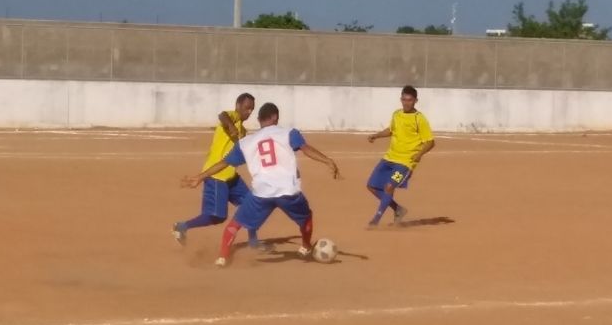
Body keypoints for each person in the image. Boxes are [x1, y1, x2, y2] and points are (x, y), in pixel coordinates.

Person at [183, 102, 340, 267]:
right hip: (288, 190)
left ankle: (222, 258)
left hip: (261, 192)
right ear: (275, 117)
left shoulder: (246, 142)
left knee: (235, 225)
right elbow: (306, 148)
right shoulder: (288, 133)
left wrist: (201, 176)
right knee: (306, 217)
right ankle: (306, 246)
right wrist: (328, 161)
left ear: (258, 120)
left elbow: (224, 162)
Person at [173, 92, 263, 248]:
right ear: (238, 106)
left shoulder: (243, 132)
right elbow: (222, 115)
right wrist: (230, 126)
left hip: (231, 177)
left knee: (251, 205)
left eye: (251, 110)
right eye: (247, 108)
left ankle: (254, 243)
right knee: (216, 217)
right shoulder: (231, 117)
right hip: (216, 175)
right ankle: (182, 226)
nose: (249, 112)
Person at [366, 85, 435, 226]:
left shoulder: (419, 119)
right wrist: (377, 135)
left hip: (405, 162)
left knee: (389, 187)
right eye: (404, 99)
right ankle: (398, 209)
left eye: (409, 100)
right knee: (371, 186)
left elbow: (430, 142)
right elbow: (391, 130)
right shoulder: (396, 114)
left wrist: (419, 154)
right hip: (389, 158)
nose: (406, 103)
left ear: (416, 100)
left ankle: (376, 219)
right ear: (400, 99)